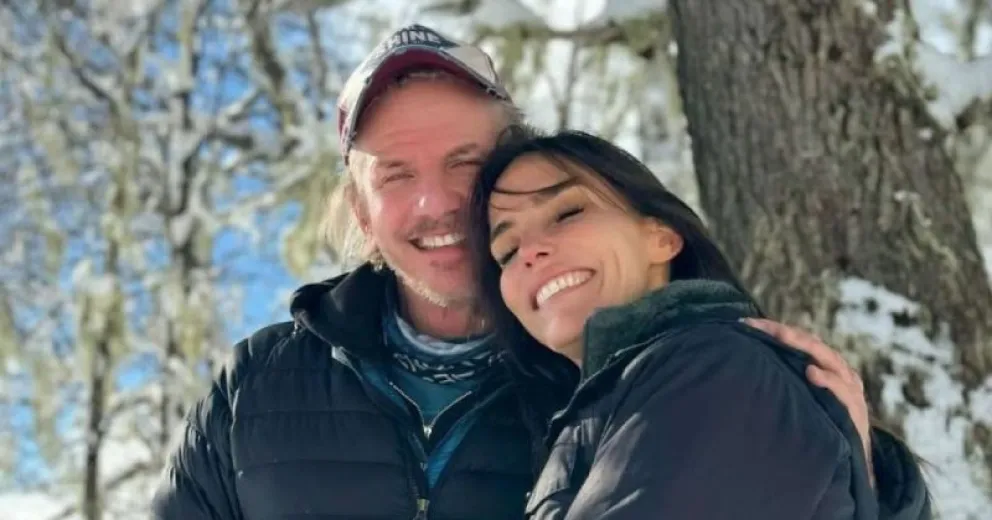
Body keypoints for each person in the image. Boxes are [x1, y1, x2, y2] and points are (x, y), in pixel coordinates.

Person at [150, 24, 924, 519]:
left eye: (466, 163)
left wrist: (867, 481)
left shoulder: (607, 373)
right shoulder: (258, 386)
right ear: (361, 210)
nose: (436, 202)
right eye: (395, 175)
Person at [468, 127, 932, 519]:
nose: (530, 253)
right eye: (507, 252)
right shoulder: (613, 404)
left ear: (662, 237)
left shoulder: (716, 372)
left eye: (567, 212)